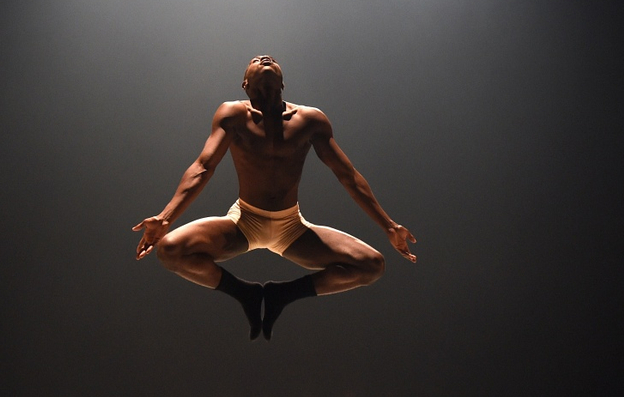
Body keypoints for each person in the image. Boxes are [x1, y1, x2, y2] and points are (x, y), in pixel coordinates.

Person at [133, 55, 417, 340]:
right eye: (255, 60)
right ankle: (245, 293)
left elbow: (348, 175)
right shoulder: (233, 114)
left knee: (372, 265)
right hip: (243, 221)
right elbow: (203, 167)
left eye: (270, 60)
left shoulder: (310, 120)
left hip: (291, 227)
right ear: (245, 83)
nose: (264, 58)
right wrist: (165, 217)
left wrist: (389, 225)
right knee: (170, 250)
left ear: (283, 82)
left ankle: (283, 294)